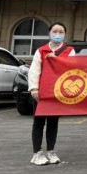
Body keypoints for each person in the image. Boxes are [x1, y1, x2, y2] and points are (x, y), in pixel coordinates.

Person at [28, 22, 76, 165]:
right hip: (41, 93)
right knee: (38, 123)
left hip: (57, 93)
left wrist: (57, 60)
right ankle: (37, 153)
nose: (57, 34)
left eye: (61, 32)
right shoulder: (41, 50)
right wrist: (34, 89)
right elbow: (34, 71)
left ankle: (51, 151)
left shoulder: (70, 51)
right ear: (49, 33)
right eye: (54, 31)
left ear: (65, 34)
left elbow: (72, 68)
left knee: (53, 123)